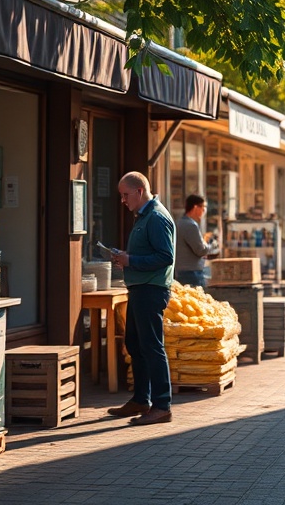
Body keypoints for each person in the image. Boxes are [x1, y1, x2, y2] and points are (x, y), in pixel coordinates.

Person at [108, 172, 176, 425]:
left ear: (139, 191)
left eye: (125, 195)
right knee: (136, 345)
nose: (123, 200)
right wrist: (126, 258)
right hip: (140, 287)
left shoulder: (156, 217)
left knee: (152, 347)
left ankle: (162, 405)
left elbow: (165, 256)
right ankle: (140, 399)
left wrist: (131, 260)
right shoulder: (143, 217)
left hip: (151, 289)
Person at [174, 194, 218, 290]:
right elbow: (201, 250)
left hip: (182, 271)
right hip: (192, 273)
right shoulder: (190, 225)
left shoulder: (180, 222)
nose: (204, 211)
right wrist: (212, 245)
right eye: (203, 207)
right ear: (195, 207)